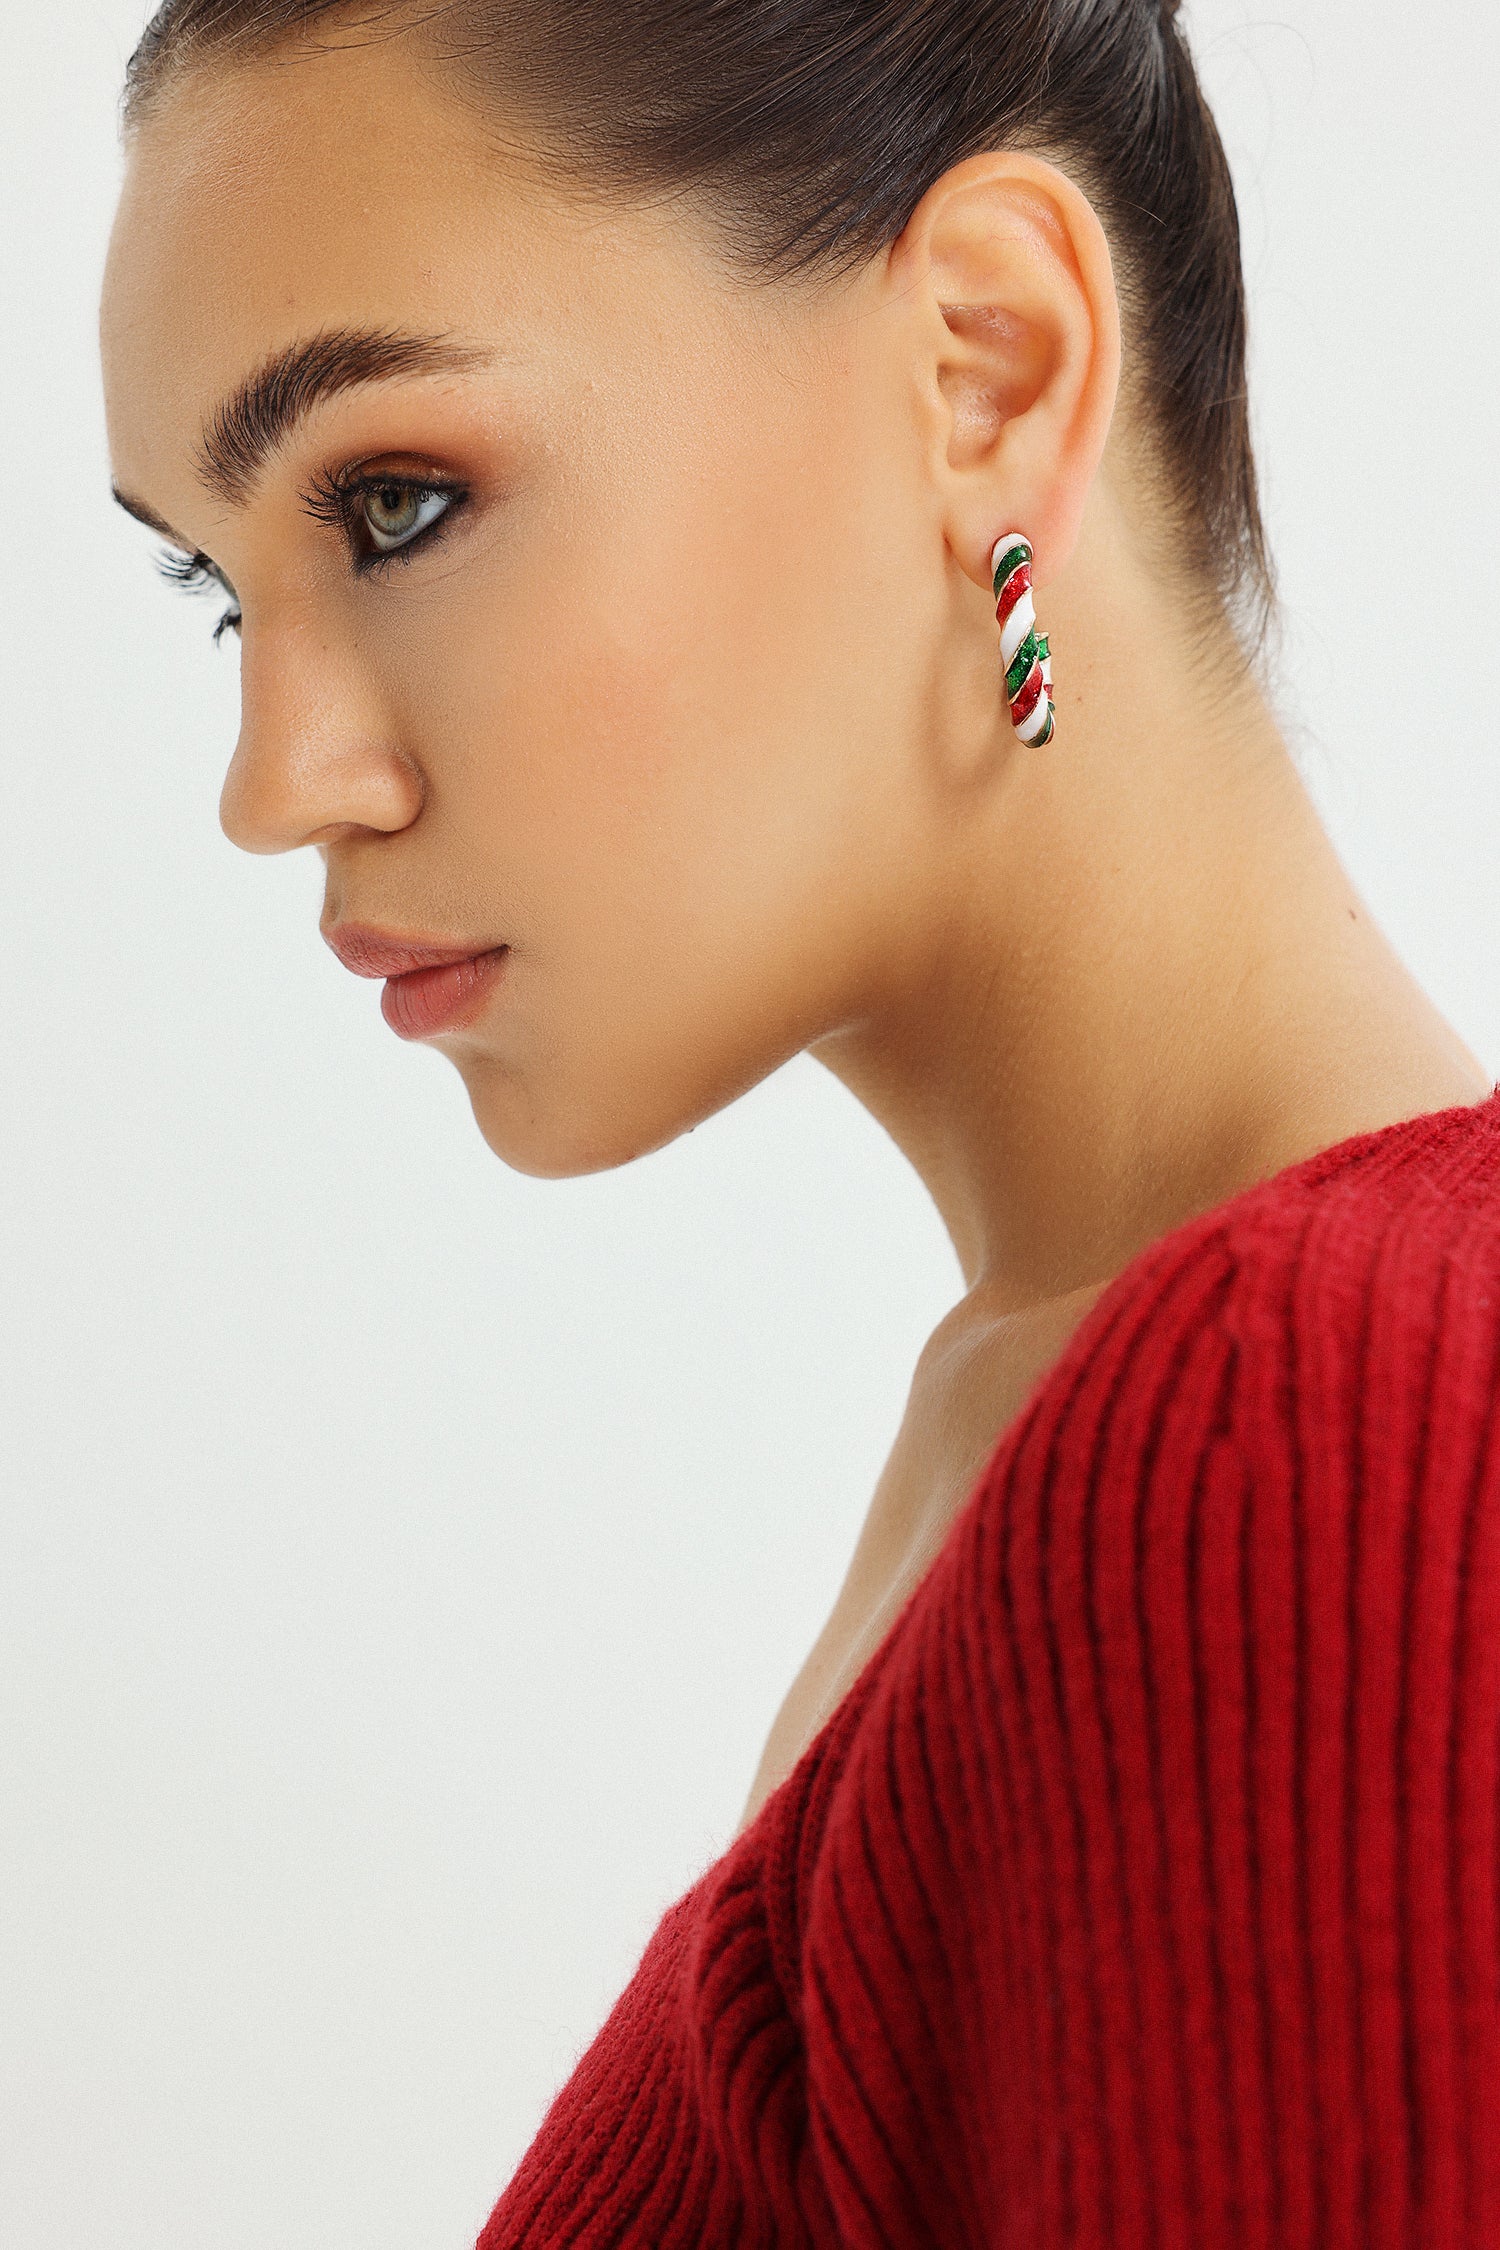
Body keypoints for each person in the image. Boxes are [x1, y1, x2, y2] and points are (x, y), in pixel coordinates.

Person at [100, 0, 1500, 2241]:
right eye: (215, 587)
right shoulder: (1085, 1416)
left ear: (989, 368)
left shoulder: (1317, 1434)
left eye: (393, 504)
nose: (278, 785)